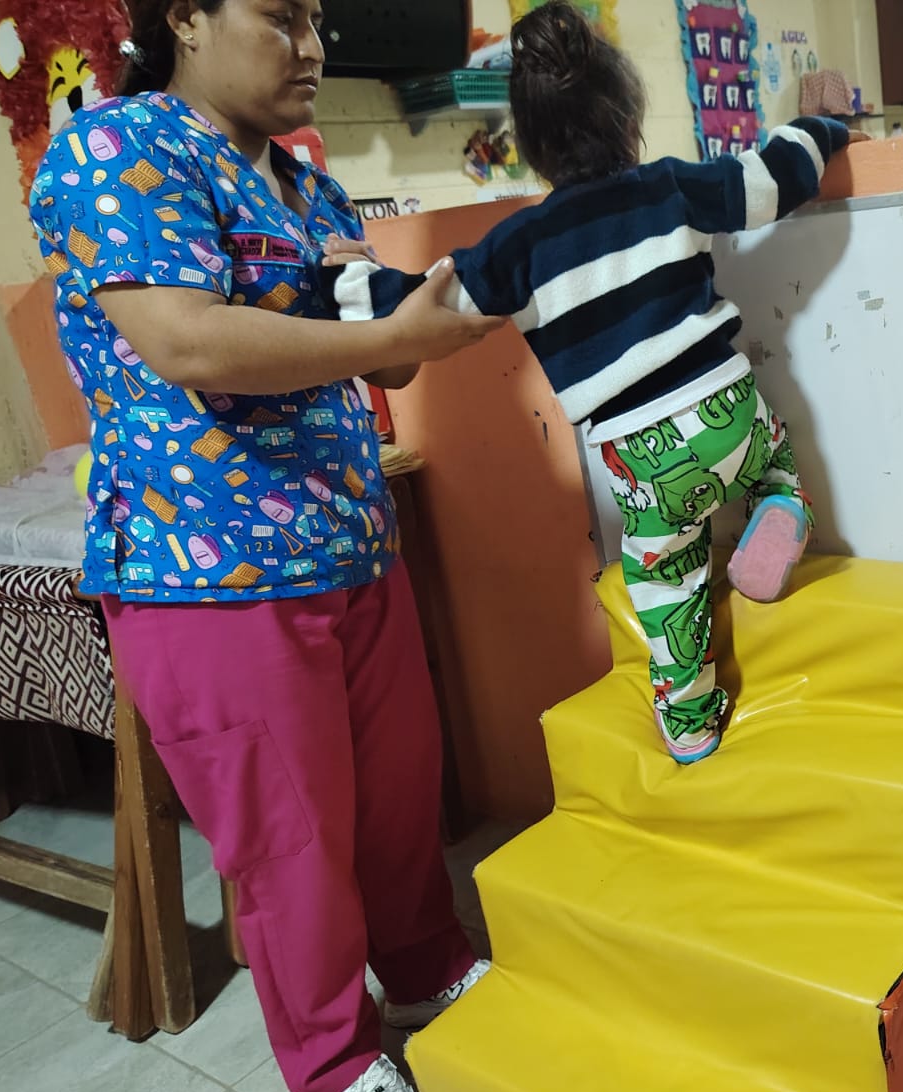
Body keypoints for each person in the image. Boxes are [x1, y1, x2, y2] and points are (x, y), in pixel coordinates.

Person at [28, 0, 506, 1092]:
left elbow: (380, 353)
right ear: (187, 17)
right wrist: (387, 338)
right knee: (289, 840)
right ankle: (332, 1057)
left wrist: (420, 315)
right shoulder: (113, 148)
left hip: (348, 541)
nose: (313, 47)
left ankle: (425, 966)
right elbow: (189, 341)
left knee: (398, 799)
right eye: (282, 17)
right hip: (208, 570)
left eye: (318, 19)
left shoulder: (305, 183)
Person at [327, 0, 864, 765]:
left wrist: (346, 281)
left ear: (530, 145)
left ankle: (691, 722)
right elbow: (773, 178)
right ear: (627, 116)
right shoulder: (670, 187)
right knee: (775, 459)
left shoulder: (520, 245)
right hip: (728, 406)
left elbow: (426, 303)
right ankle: (778, 503)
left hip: (643, 458)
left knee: (669, 578)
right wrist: (824, 125)